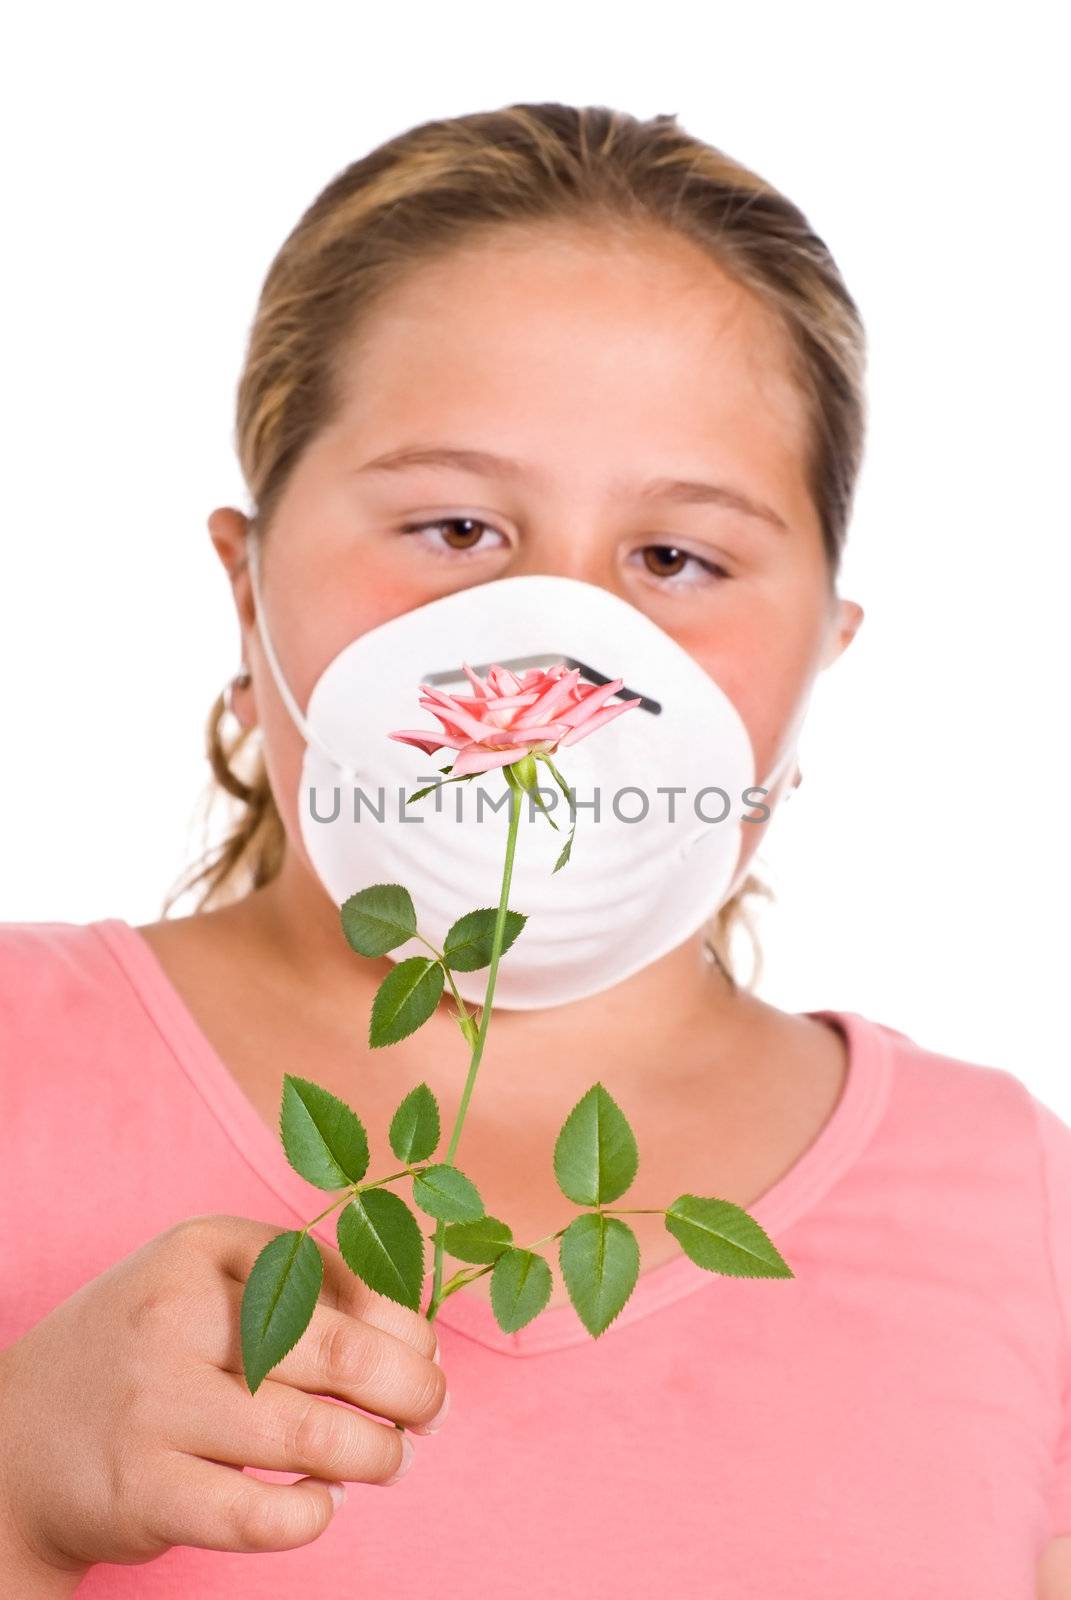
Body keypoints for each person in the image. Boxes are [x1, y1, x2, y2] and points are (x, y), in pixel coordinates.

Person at [1, 100, 1069, 1600]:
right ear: (248, 596)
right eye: (455, 529)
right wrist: (17, 1483)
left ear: (823, 654)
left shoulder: (1017, 1211)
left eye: (677, 558)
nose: (569, 648)